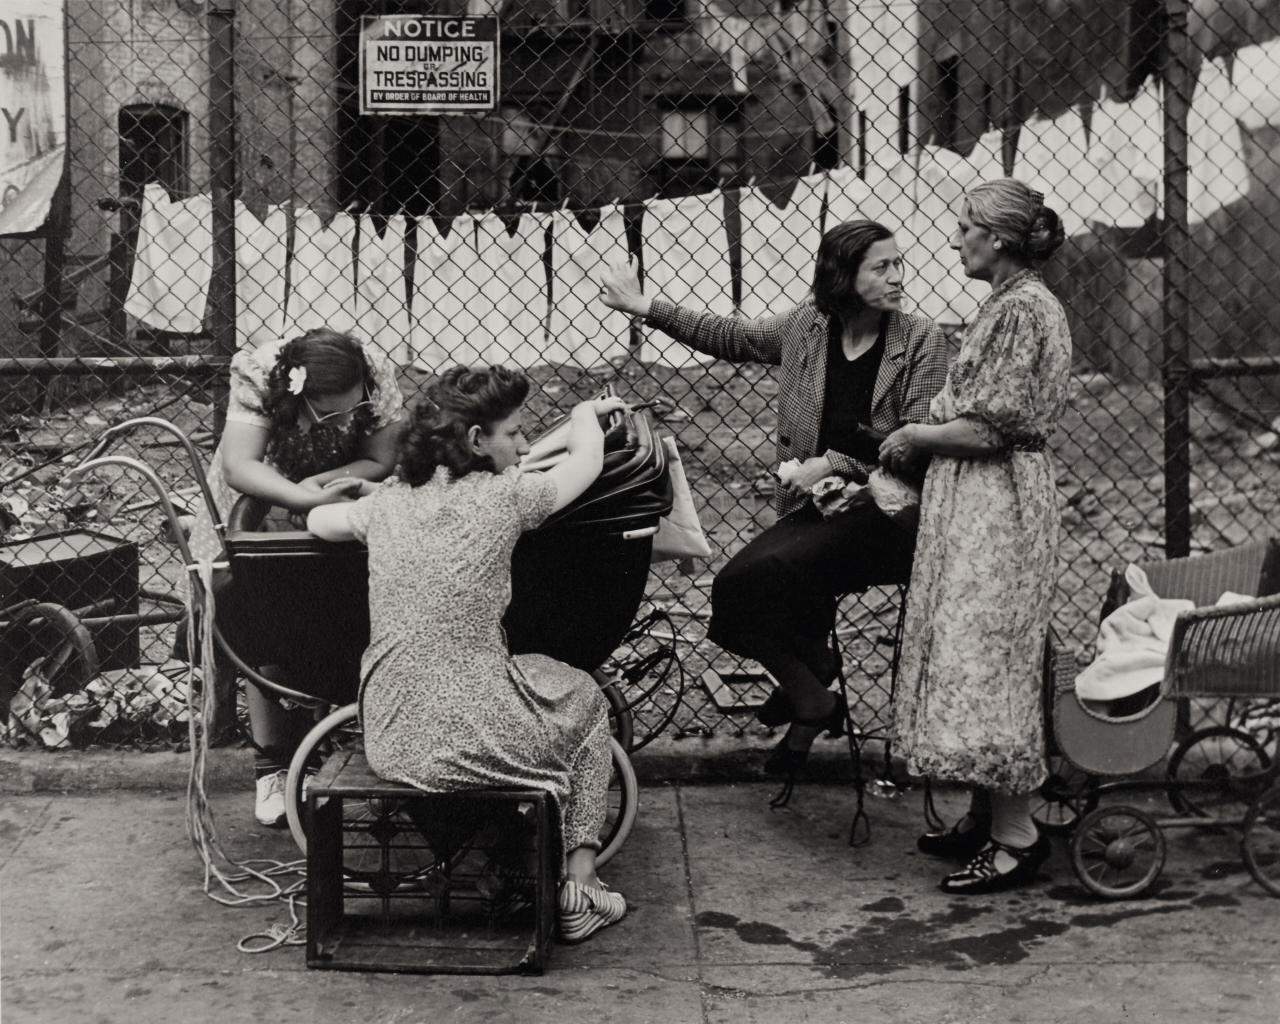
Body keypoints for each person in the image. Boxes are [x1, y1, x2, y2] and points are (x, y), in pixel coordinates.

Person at [599, 221, 949, 779]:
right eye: (881, 267)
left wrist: (835, 464)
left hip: (883, 515)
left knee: (760, 581)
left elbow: (916, 446)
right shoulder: (808, 327)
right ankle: (813, 685)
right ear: (842, 275)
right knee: (738, 592)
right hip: (817, 509)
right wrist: (645, 306)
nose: (897, 278)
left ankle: (809, 697)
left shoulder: (921, 342)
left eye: (898, 264)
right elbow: (729, 337)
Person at [307, 367, 630, 944]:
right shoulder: (507, 495)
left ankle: (505, 857)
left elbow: (317, 518)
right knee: (582, 696)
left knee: (521, 683)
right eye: (515, 432)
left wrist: (368, 499)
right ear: (478, 441)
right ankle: (581, 883)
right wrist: (585, 418)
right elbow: (587, 462)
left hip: (392, 737)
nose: (527, 445)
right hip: (471, 733)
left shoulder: (387, 506)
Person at [879, 179, 1070, 895]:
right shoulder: (1006, 305)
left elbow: (992, 426)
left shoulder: (1022, 311)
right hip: (978, 503)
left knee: (987, 657)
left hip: (998, 506)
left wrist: (914, 434)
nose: (955, 238)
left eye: (966, 228)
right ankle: (989, 813)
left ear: (998, 239)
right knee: (967, 647)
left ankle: (1018, 838)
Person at [188, 327, 404, 828]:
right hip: (261, 496)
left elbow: (382, 456)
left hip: (341, 488)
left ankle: (340, 739)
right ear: (300, 398)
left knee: (341, 609)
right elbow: (240, 465)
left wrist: (323, 485)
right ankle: (272, 763)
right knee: (262, 612)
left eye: (357, 408)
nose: (349, 419)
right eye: (333, 414)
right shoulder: (261, 373)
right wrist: (301, 497)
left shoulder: (372, 371)